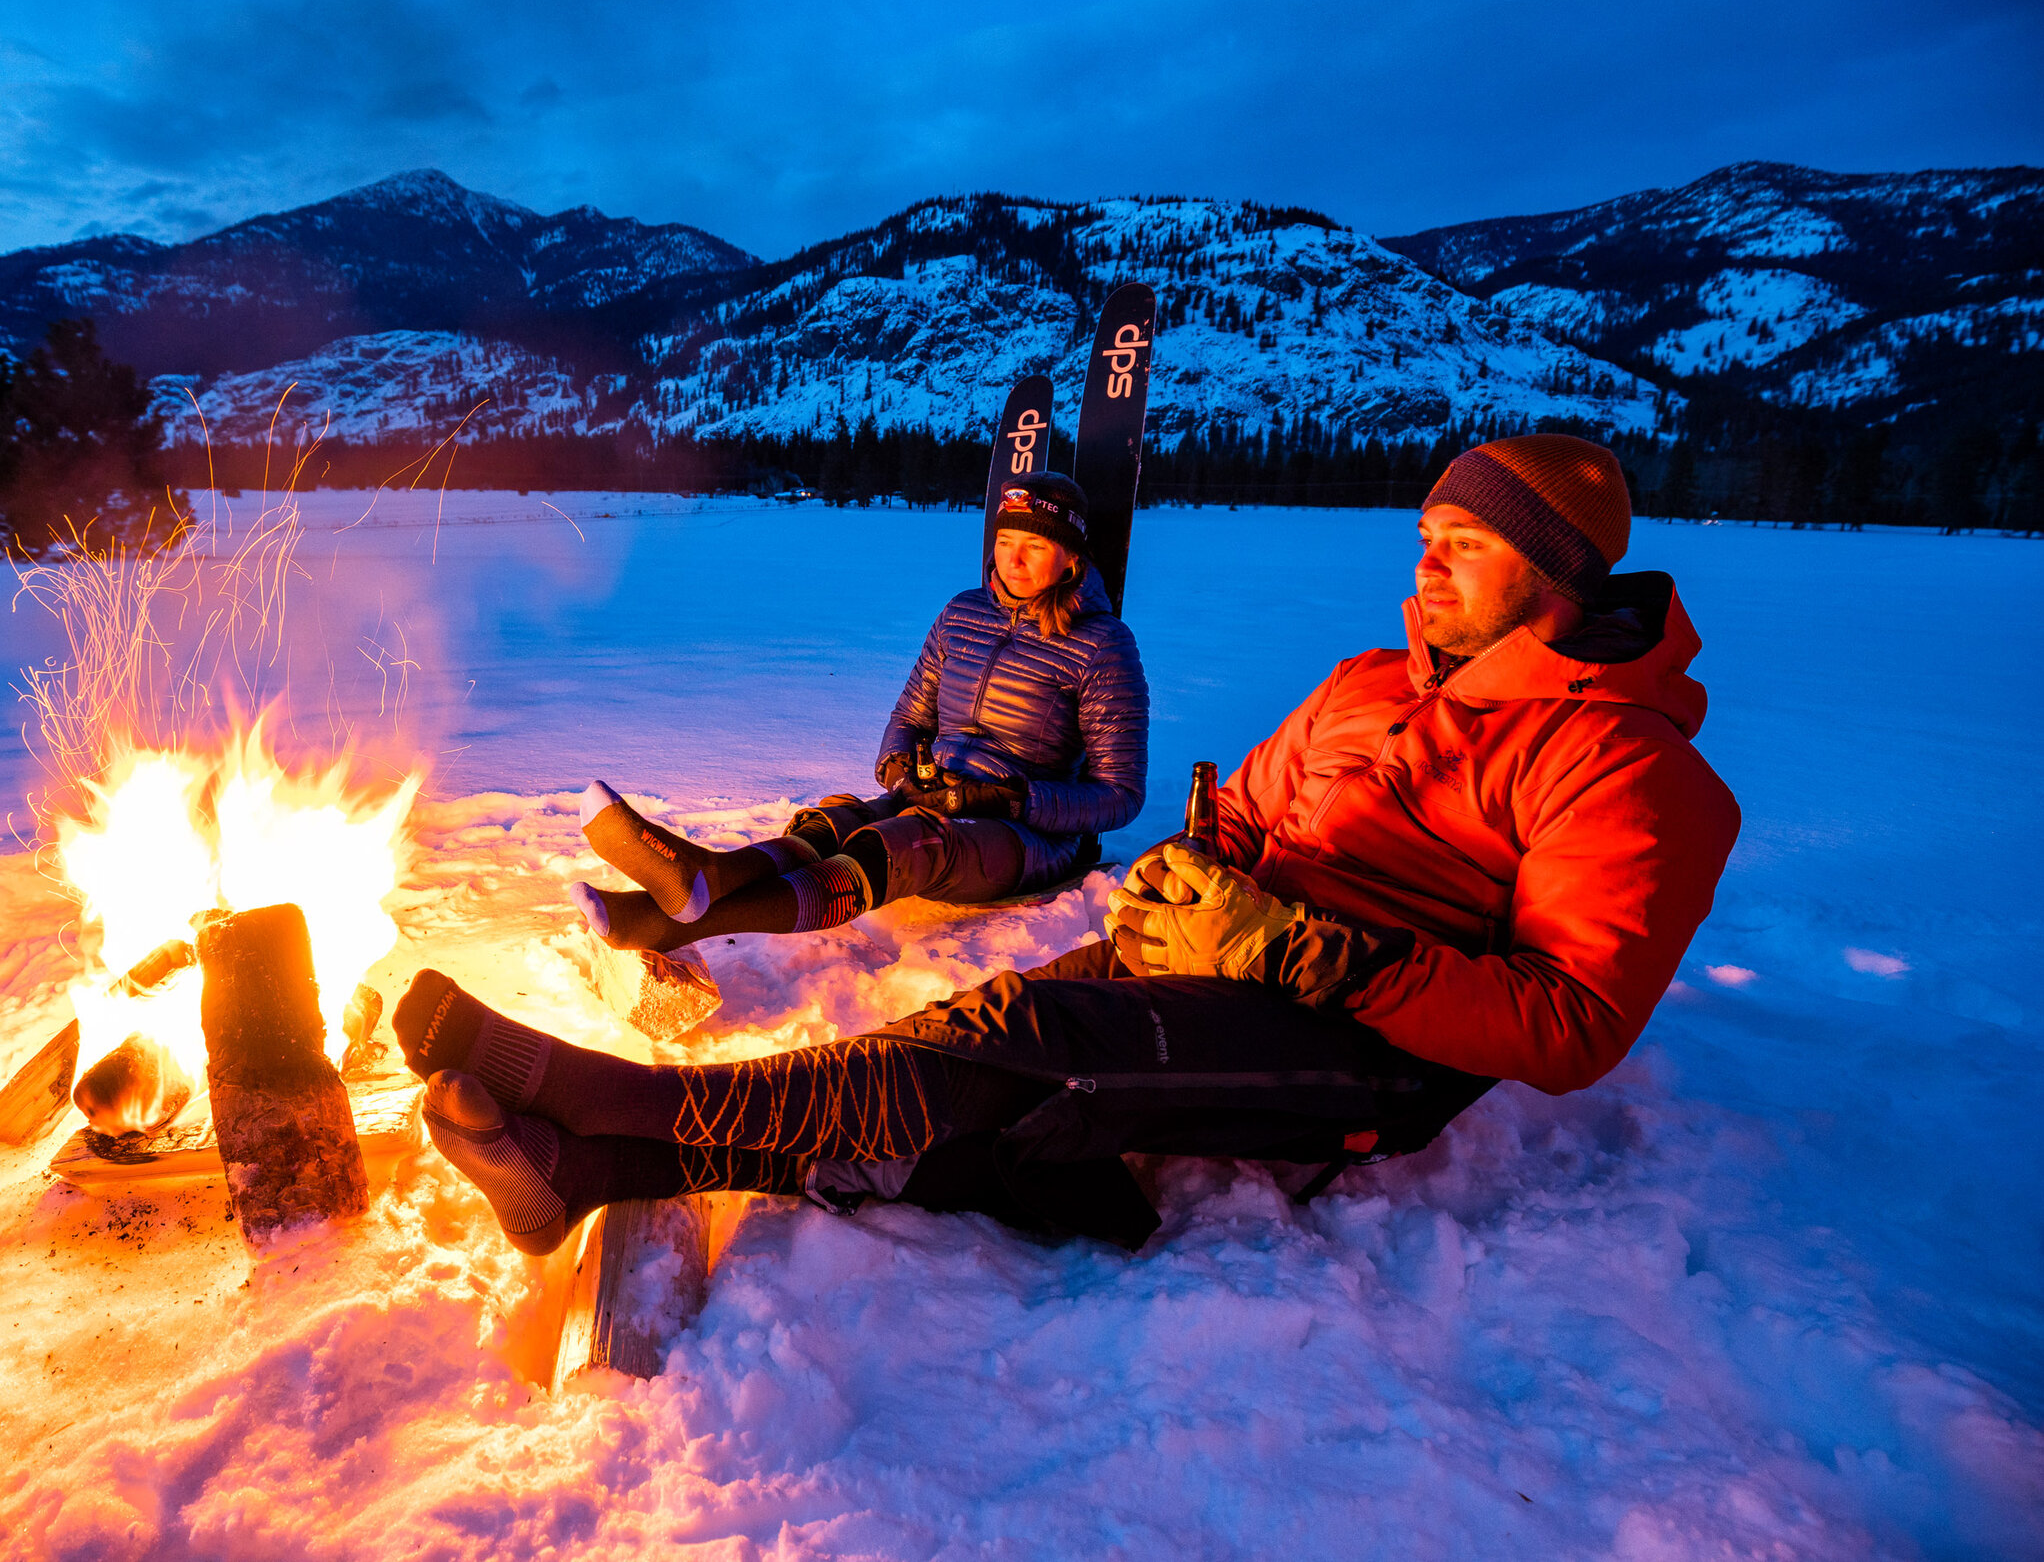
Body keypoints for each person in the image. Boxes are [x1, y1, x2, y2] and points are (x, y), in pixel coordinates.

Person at [401, 434, 1742, 1254]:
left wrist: (1296, 949)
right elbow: (1243, 814)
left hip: (1379, 1050)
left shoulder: (1634, 766)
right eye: (1425, 538)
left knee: (1022, 1051)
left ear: (1555, 575)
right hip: (1233, 957)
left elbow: (1569, 1023)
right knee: (989, 1029)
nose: (1425, 567)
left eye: (1465, 546)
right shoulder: (1365, 681)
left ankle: (620, 1113)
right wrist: (1192, 871)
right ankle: (598, 1172)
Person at [568, 469, 1147, 951]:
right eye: (1004, 542)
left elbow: (1121, 795)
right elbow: (910, 715)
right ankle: (706, 876)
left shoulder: (1102, 645)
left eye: (1035, 546)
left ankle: (670, 922)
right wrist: (897, 765)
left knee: (900, 846)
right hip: (934, 791)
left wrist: (1012, 797)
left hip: (1027, 838)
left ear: (1070, 559)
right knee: (836, 825)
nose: (1013, 561)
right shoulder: (962, 613)